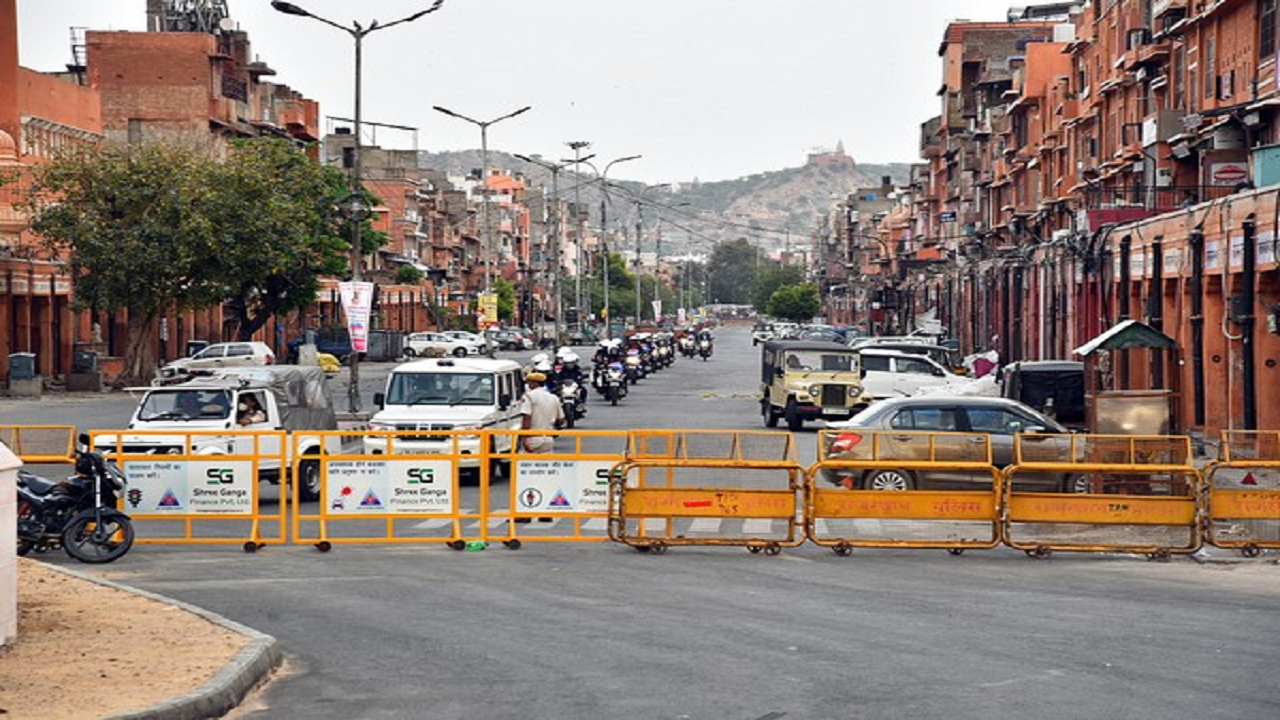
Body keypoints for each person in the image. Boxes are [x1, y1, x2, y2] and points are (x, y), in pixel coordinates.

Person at [518, 372, 564, 453]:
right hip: (548, 439)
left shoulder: (529, 396)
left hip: (533, 438)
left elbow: (527, 417)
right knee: (545, 463)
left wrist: (524, 438)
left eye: (529, 382)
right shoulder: (553, 397)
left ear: (534, 383)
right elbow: (561, 419)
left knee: (525, 463)